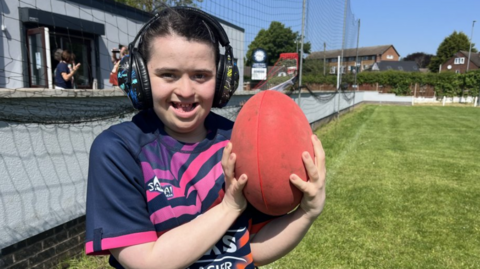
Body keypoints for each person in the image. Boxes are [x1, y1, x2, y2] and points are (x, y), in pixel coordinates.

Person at [85, 7, 326, 269]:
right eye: (168, 75)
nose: (186, 90)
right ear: (139, 78)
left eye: (200, 76)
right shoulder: (119, 151)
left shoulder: (237, 143)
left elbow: (251, 249)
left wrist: (307, 213)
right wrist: (228, 207)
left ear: (222, 78)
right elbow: (146, 262)